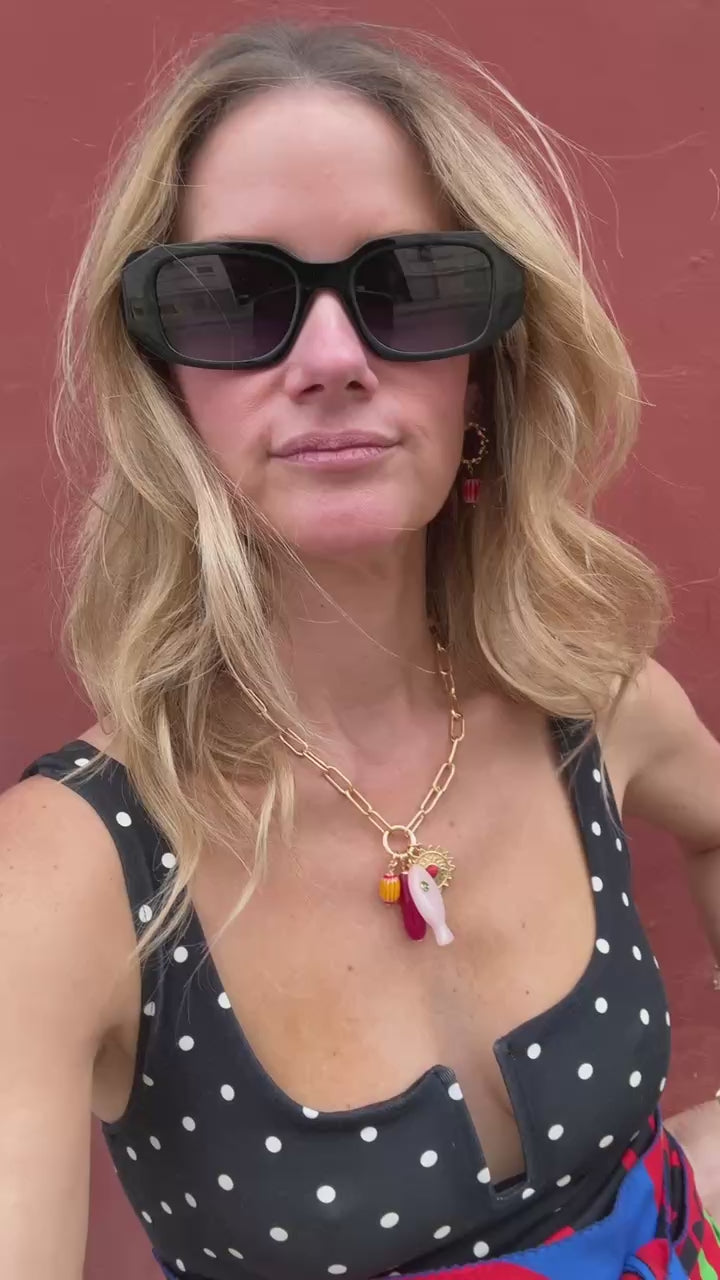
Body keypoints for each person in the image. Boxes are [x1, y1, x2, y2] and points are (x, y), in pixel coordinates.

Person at [2, 19, 719, 1280]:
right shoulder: (68, 882)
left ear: (488, 364)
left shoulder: (590, 703)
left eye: (411, 287)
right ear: (162, 380)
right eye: (232, 298)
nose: (331, 359)